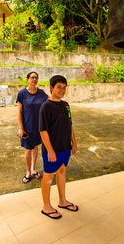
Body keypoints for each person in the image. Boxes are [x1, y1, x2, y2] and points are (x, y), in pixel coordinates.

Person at [39, 75, 78, 219]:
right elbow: (43, 131)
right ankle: (46, 206)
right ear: (51, 88)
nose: (62, 90)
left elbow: (70, 124)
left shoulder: (65, 105)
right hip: (52, 150)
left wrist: (73, 142)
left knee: (62, 172)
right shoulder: (46, 107)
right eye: (59, 87)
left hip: (65, 147)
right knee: (48, 176)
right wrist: (50, 150)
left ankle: (62, 201)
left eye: (64, 87)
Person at [16, 71, 48, 184]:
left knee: (35, 147)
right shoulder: (22, 93)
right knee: (28, 149)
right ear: (27, 79)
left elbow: (50, 100)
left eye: (36, 77)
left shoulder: (41, 93)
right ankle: (28, 172)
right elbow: (19, 112)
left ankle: (34, 169)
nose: (34, 79)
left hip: (38, 126)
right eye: (32, 77)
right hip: (27, 127)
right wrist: (21, 128)